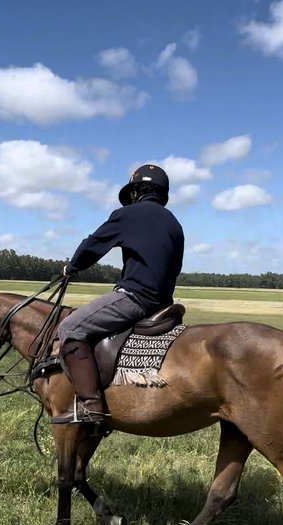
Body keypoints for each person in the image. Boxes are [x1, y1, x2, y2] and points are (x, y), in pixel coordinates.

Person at [51, 164, 185, 424]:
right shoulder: (174, 224)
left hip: (135, 297)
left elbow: (94, 244)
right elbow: (175, 267)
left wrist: (72, 266)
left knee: (70, 328)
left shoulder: (128, 214)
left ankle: (91, 405)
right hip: (163, 303)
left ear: (135, 192)